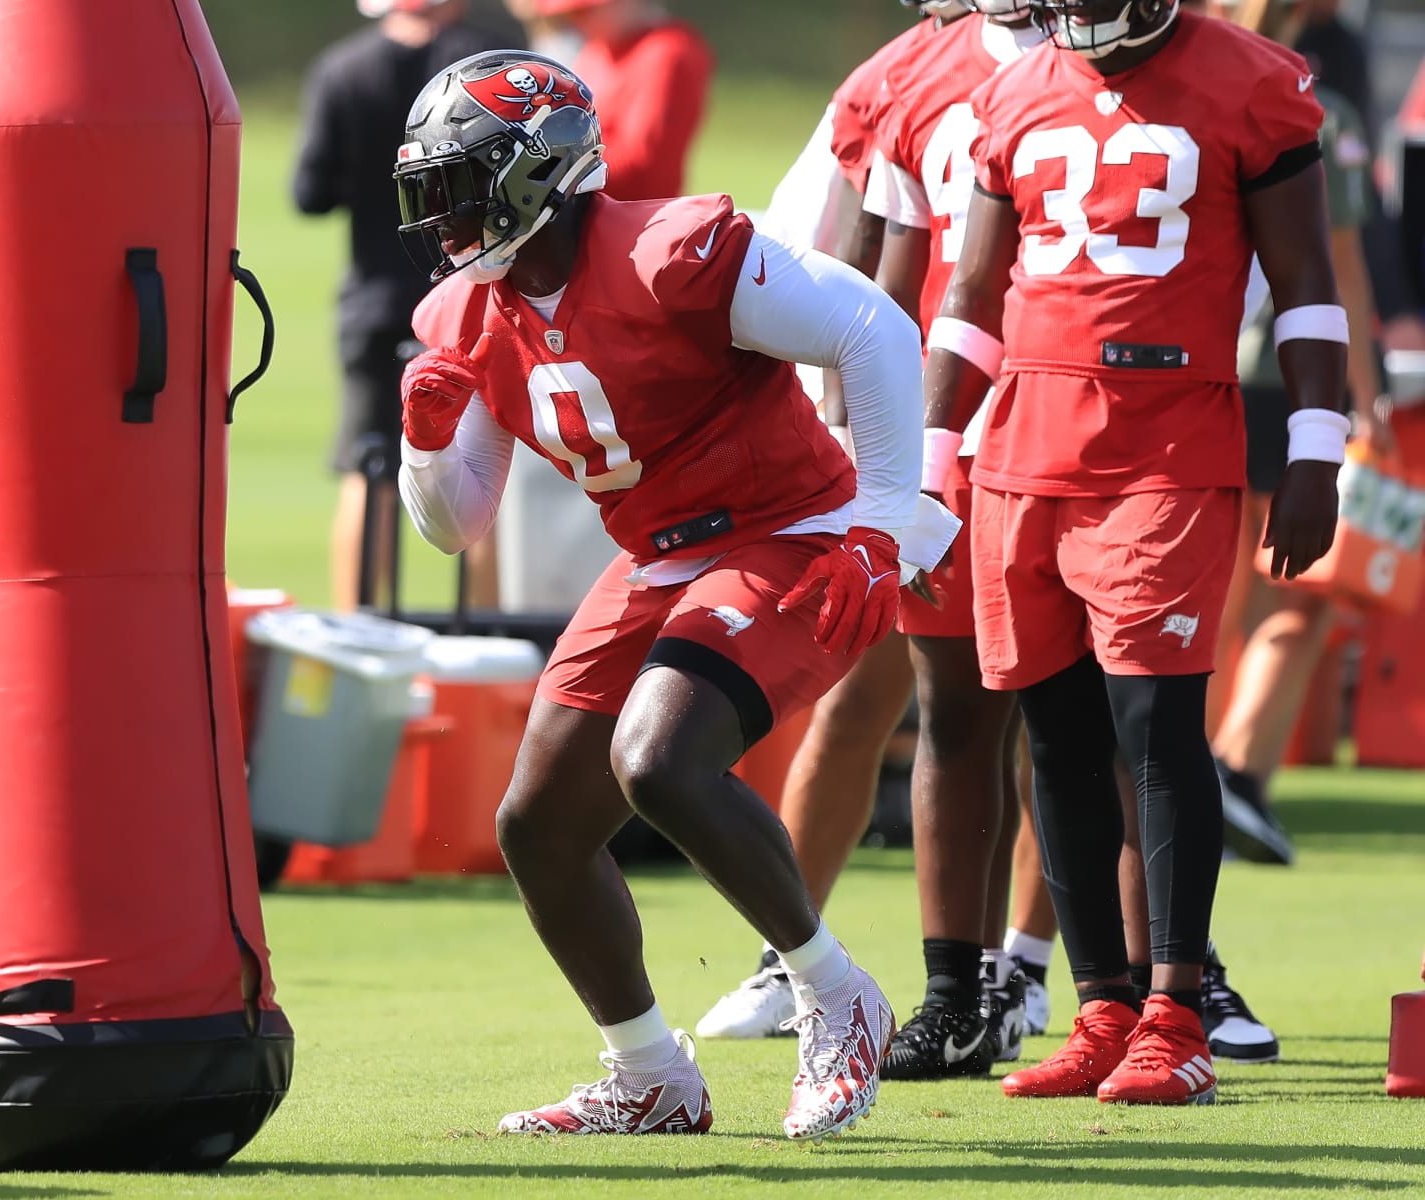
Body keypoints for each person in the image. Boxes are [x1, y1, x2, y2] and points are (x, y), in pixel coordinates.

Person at [393, 50, 956, 1138]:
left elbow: (874, 329)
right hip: (658, 554)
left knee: (658, 759)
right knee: (538, 825)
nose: (445, 220)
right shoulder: (464, 315)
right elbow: (454, 524)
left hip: (790, 531)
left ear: (534, 172)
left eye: (461, 185)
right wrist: (425, 447)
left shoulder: (673, 253)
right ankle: (649, 1072)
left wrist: (885, 524)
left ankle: (837, 996)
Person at [929, 0, 1346, 1104]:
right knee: (1056, 738)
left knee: (1156, 726)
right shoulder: (1016, 86)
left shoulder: (1255, 80)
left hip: (1167, 437)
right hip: (1023, 442)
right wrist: (929, 450)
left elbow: (1306, 282)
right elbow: (973, 293)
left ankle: (1177, 1013)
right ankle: (1102, 1009)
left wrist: (1316, 448)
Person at [694, 0, 970, 1046]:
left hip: (1049, 413)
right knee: (865, 698)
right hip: (912, 425)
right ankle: (787, 956)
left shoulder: (1109, 67)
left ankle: (1053, 972)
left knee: (1056, 712)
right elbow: (814, 253)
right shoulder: (890, 77)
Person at [854, 0, 1046, 1080]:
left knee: (1098, 729)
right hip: (951, 443)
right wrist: (868, 450)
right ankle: (953, 991)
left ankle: (1128, 986)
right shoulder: (917, 79)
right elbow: (885, 285)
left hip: (1097, 432)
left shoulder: (1147, 67)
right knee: (954, 714)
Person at [1207, 0, 1384, 868]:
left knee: (1211, 593)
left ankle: (1181, 776)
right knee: (1303, 597)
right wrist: (1370, 391)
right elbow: (1338, 264)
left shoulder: (1183, 82)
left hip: (1203, 375)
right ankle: (1235, 774)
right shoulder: (1311, 100)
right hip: (1291, 376)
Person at [291, 0, 502, 612]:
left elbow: (311, 193)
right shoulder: (482, 66)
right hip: (470, 296)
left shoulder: (342, 68)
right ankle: (486, 639)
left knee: (368, 470)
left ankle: (360, 629)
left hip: (374, 300)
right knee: (485, 470)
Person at [530, 0, 713, 202]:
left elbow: (640, 170)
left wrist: (543, 160)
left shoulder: (667, 52)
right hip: (590, 211)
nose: (574, 22)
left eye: (584, 11)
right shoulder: (597, 50)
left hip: (635, 219)